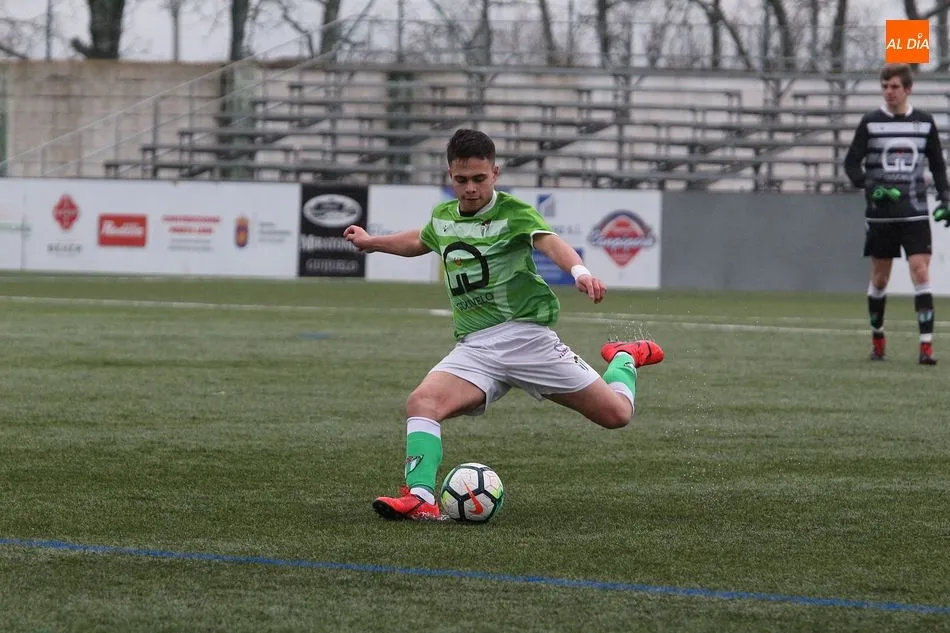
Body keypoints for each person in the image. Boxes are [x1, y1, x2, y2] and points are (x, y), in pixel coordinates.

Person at [343, 128, 665, 520]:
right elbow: (421, 241)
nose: (471, 188)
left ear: (495, 173)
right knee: (422, 402)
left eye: (480, 179)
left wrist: (579, 271)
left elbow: (549, 242)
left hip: (528, 340)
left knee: (617, 416)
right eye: (462, 180)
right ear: (450, 177)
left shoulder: (514, 213)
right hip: (475, 348)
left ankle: (623, 358)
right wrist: (372, 241)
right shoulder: (444, 217)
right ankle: (420, 497)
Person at [844, 63, 950, 365]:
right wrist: (870, 185)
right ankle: (878, 340)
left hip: (915, 212)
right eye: (885, 86)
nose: (889, 92)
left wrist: (945, 198)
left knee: (920, 270)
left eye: (894, 86)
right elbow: (851, 164)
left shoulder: (925, 123)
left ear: (907, 89)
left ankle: (926, 348)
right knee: (879, 279)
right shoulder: (871, 122)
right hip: (881, 216)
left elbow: (938, 167)